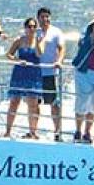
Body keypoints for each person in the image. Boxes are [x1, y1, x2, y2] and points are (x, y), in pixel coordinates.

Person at [4, 17, 43, 139]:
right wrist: (18, 60)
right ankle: (8, 130)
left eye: (33, 26)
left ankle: (33, 131)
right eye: (29, 26)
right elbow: (9, 54)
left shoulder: (39, 41)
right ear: (25, 28)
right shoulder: (19, 40)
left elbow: (39, 54)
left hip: (33, 74)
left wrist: (37, 41)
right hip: (20, 72)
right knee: (14, 102)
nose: (31, 29)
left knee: (33, 103)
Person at [36, 8, 65, 141]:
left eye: (47, 16)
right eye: (42, 17)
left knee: (54, 103)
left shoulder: (56, 32)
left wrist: (59, 61)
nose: (45, 19)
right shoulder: (35, 32)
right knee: (34, 103)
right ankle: (33, 130)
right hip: (36, 72)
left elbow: (61, 48)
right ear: (38, 18)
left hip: (51, 73)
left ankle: (57, 131)